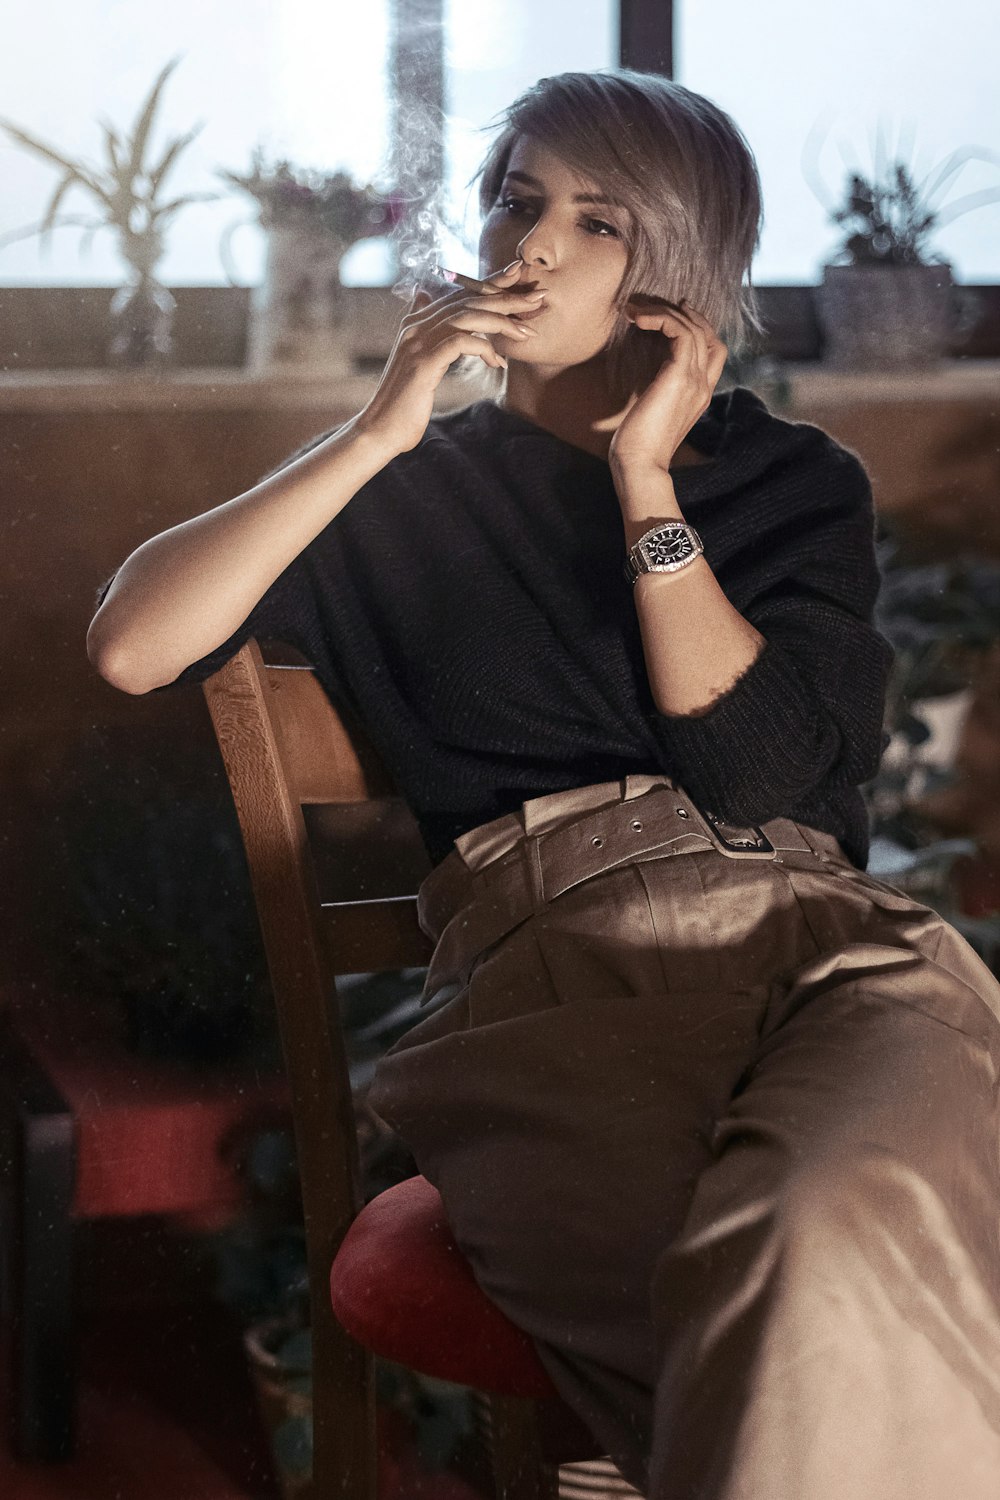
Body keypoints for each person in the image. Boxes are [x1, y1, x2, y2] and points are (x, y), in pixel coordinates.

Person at [88, 68, 1000, 1500]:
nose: (532, 245)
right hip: (557, 981)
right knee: (808, 1273)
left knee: (842, 1216)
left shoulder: (790, 482)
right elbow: (137, 644)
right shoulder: (397, 494)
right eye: (517, 200)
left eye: (597, 220)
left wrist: (649, 483)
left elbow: (758, 774)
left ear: (680, 273)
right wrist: (383, 427)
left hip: (827, 955)